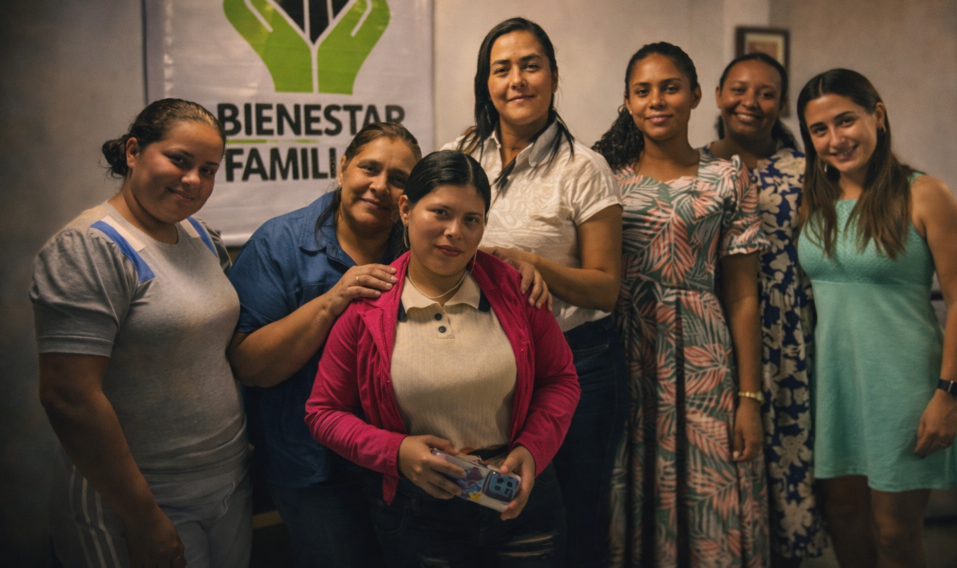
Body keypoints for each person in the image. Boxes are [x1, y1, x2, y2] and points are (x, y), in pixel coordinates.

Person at [305, 150, 581, 567]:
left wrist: (533, 449)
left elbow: (561, 380)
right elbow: (323, 412)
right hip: (419, 514)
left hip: (518, 499)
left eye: (472, 219)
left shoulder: (516, 288)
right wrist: (395, 452)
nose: (455, 232)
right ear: (405, 209)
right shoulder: (368, 306)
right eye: (440, 213)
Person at [32, 99, 250, 568]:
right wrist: (142, 516)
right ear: (133, 152)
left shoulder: (198, 235)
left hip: (224, 484)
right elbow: (68, 396)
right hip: (142, 498)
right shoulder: (90, 247)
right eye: (179, 160)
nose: (193, 180)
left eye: (209, 169)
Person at [442, 17, 627, 567]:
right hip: (485, 367)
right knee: (498, 511)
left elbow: (606, 289)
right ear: (486, 83)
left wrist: (527, 262)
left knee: (575, 520)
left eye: (531, 65)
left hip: (578, 364)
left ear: (552, 75)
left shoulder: (584, 168)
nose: (517, 80)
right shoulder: (461, 154)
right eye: (502, 69)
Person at [795, 69, 957, 568]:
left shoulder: (924, 194)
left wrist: (949, 394)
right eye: (819, 129)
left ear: (877, 115)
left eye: (846, 120)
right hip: (832, 386)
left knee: (895, 532)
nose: (835, 139)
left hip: (902, 385)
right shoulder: (814, 200)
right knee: (843, 517)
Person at [594, 42, 770, 568]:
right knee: (625, 483)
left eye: (670, 87)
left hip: (704, 361)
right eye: (642, 91)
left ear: (695, 95)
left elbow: (742, 295)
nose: (657, 100)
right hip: (626, 352)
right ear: (627, 101)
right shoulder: (605, 176)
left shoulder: (727, 177)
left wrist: (750, 398)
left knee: (709, 488)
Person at [226, 122, 421, 567]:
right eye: (369, 168)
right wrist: (334, 301)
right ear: (341, 168)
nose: (380, 186)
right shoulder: (280, 243)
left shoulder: (416, 248)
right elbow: (250, 367)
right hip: (312, 469)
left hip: (396, 462)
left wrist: (515, 265)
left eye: (398, 180)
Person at [705, 53, 827, 566]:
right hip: (714, 328)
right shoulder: (696, 164)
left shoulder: (809, 172)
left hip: (791, 335)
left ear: (781, 105)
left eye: (766, 93)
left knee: (789, 455)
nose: (750, 102)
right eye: (738, 89)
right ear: (716, 95)